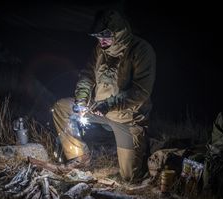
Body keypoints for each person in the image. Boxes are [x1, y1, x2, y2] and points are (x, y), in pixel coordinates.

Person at [52, 10, 156, 182]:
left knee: (129, 177)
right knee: (61, 108)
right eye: (98, 37)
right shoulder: (100, 49)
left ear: (119, 32)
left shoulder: (142, 50)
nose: (101, 41)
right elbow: (87, 75)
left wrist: (108, 105)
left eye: (106, 36)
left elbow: (140, 92)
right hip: (97, 109)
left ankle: (145, 148)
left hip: (127, 118)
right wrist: (81, 100)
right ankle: (79, 157)